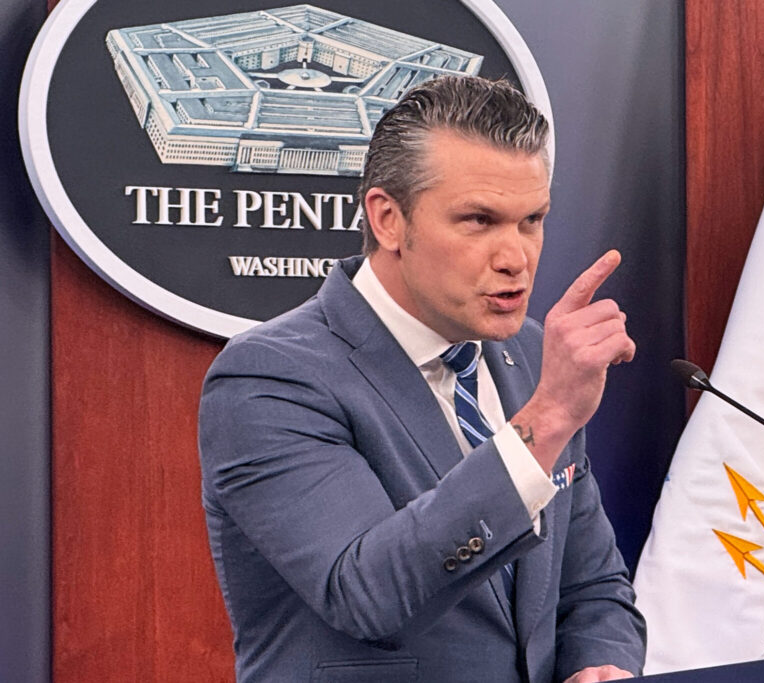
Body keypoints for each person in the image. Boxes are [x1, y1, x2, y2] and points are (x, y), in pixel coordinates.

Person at [199, 75, 645, 683]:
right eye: (479, 220)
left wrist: (599, 663)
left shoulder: (533, 357)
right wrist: (546, 420)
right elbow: (365, 595)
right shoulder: (271, 376)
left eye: (532, 220)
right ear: (388, 219)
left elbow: (592, 587)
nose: (516, 257)